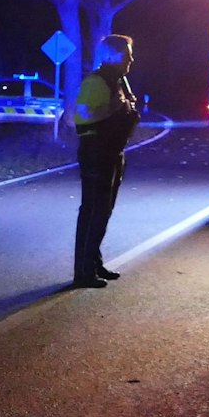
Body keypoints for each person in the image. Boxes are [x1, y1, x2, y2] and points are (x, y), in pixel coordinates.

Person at [70, 34, 140, 288]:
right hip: (96, 151)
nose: (131, 60)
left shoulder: (117, 81)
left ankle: (94, 263)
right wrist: (114, 108)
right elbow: (80, 116)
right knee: (93, 210)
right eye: (127, 55)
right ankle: (83, 272)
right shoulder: (96, 82)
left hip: (111, 151)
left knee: (104, 210)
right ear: (111, 56)